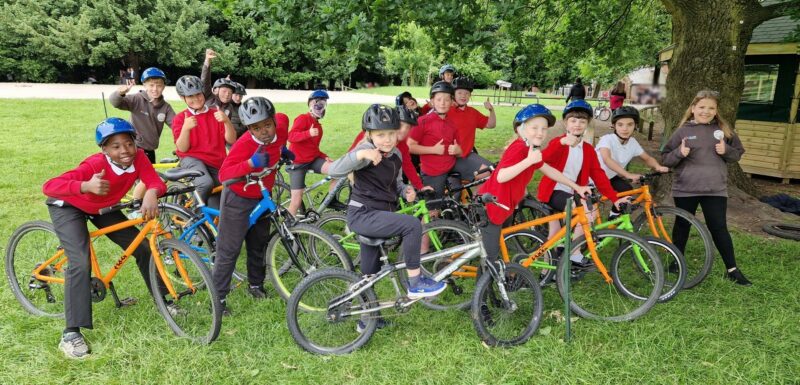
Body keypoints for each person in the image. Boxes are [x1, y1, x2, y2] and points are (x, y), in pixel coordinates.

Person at [42, 118, 167, 358]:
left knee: (141, 246)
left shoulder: (139, 157)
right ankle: (70, 333)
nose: (124, 151)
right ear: (104, 150)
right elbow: (49, 186)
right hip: (70, 206)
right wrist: (86, 185)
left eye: (128, 144)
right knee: (79, 261)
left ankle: (164, 301)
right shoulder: (93, 164)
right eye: (116, 147)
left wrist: (152, 191)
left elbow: (154, 181)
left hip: (103, 208)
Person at [328, 105, 446, 312]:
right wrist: (361, 154)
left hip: (380, 214)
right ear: (369, 134)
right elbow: (335, 170)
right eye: (380, 134)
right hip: (363, 215)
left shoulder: (396, 154)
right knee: (412, 225)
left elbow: (396, 183)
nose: (387, 139)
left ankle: (365, 320)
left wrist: (406, 191)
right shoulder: (365, 151)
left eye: (391, 133)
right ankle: (415, 282)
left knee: (369, 274)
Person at [477, 105, 591, 272]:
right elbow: (501, 176)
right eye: (534, 128)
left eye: (544, 129)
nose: (540, 133)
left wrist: (577, 187)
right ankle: (483, 297)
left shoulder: (531, 149)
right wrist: (528, 161)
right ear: (520, 129)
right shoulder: (519, 149)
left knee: (496, 249)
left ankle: (495, 282)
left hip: (504, 206)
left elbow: (550, 170)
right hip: (491, 207)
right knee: (490, 259)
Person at [661, 90, 750, 286]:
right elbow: (665, 158)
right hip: (686, 189)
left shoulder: (724, 130)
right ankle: (676, 262)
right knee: (682, 225)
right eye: (702, 107)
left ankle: (732, 269)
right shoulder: (683, 131)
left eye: (711, 108)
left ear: (716, 111)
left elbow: (737, 154)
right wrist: (679, 152)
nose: (706, 111)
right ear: (693, 109)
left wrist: (726, 151)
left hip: (715, 189)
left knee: (718, 227)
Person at [213, 97, 293, 314]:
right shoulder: (245, 144)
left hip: (263, 194)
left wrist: (282, 150)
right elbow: (224, 174)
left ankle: (256, 284)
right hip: (239, 197)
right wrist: (250, 164)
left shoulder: (282, 125)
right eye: (256, 128)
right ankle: (218, 298)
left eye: (267, 124)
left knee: (259, 242)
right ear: (248, 129)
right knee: (229, 249)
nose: (264, 131)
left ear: (274, 120)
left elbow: (283, 125)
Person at [538, 100, 628, 264]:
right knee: (587, 213)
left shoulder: (587, 149)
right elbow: (542, 160)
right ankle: (573, 252)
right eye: (573, 120)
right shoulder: (558, 142)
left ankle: (553, 268)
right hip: (553, 191)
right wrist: (560, 143)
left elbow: (599, 176)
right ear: (565, 122)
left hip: (573, 192)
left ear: (587, 124)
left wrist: (615, 198)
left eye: (582, 121)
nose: (577, 125)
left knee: (555, 234)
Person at [171, 75, 237, 208]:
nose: (195, 99)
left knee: (226, 195)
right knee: (205, 183)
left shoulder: (216, 114)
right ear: (182, 98)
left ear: (203, 93)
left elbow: (231, 139)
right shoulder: (180, 118)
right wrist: (186, 128)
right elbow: (182, 149)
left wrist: (226, 121)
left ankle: (207, 219)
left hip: (215, 162)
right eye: (190, 96)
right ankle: (193, 217)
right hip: (192, 159)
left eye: (198, 94)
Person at [596, 106, 669, 218]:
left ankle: (614, 216)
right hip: (591, 178)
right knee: (589, 207)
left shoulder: (633, 143)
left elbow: (647, 158)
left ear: (635, 126)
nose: (625, 129)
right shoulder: (607, 139)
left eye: (630, 124)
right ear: (614, 126)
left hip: (609, 177)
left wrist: (657, 166)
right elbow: (607, 159)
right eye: (620, 125)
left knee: (627, 190)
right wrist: (627, 174)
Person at [286, 89, 344, 215]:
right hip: (297, 163)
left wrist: (325, 156)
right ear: (311, 105)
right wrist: (308, 133)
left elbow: (313, 148)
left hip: (312, 160)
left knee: (338, 170)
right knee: (296, 201)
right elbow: (291, 136)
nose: (320, 106)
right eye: (317, 103)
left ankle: (330, 199)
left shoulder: (318, 127)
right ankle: (287, 229)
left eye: (323, 104)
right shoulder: (302, 118)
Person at [407, 81, 459, 208]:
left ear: (452, 102)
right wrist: (433, 150)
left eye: (447, 100)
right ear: (432, 102)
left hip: (451, 164)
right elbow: (410, 146)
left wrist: (458, 150)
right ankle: (427, 226)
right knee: (432, 211)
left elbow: (460, 149)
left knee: (484, 172)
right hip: (433, 172)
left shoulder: (452, 123)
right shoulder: (422, 121)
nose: (443, 103)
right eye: (439, 99)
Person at [349, 106, 426, 191]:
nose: (404, 130)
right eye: (401, 125)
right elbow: (351, 156)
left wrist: (420, 187)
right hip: (361, 177)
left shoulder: (402, 145)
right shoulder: (372, 134)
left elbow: (408, 166)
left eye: (408, 127)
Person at [110, 67, 175, 164]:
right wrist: (120, 93)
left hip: (150, 149)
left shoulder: (166, 107)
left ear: (164, 86)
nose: (155, 89)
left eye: (159, 85)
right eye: (151, 85)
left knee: (149, 177)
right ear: (144, 85)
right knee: (132, 176)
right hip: (133, 147)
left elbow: (176, 124)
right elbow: (116, 103)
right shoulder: (137, 99)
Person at [449, 77, 496, 183]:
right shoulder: (446, 111)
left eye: (466, 93)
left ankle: (477, 197)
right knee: (487, 173)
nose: (463, 96)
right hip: (452, 158)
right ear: (453, 94)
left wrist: (491, 110)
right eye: (460, 93)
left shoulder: (472, 112)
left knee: (494, 171)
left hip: (468, 155)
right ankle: (478, 197)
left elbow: (491, 124)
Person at [201, 49, 246, 137]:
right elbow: (205, 81)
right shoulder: (210, 98)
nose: (227, 94)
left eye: (230, 92)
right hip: (203, 135)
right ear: (217, 91)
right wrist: (207, 61)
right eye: (224, 91)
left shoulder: (229, 106)